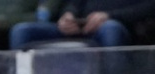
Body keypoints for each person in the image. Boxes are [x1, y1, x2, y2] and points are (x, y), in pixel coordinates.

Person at [9, 0, 142, 49]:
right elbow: (73, 4)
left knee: (111, 29)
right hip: (80, 25)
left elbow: (149, 8)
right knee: (21, 31)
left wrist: (108, 16)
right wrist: (68, 15)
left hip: (116, 26)